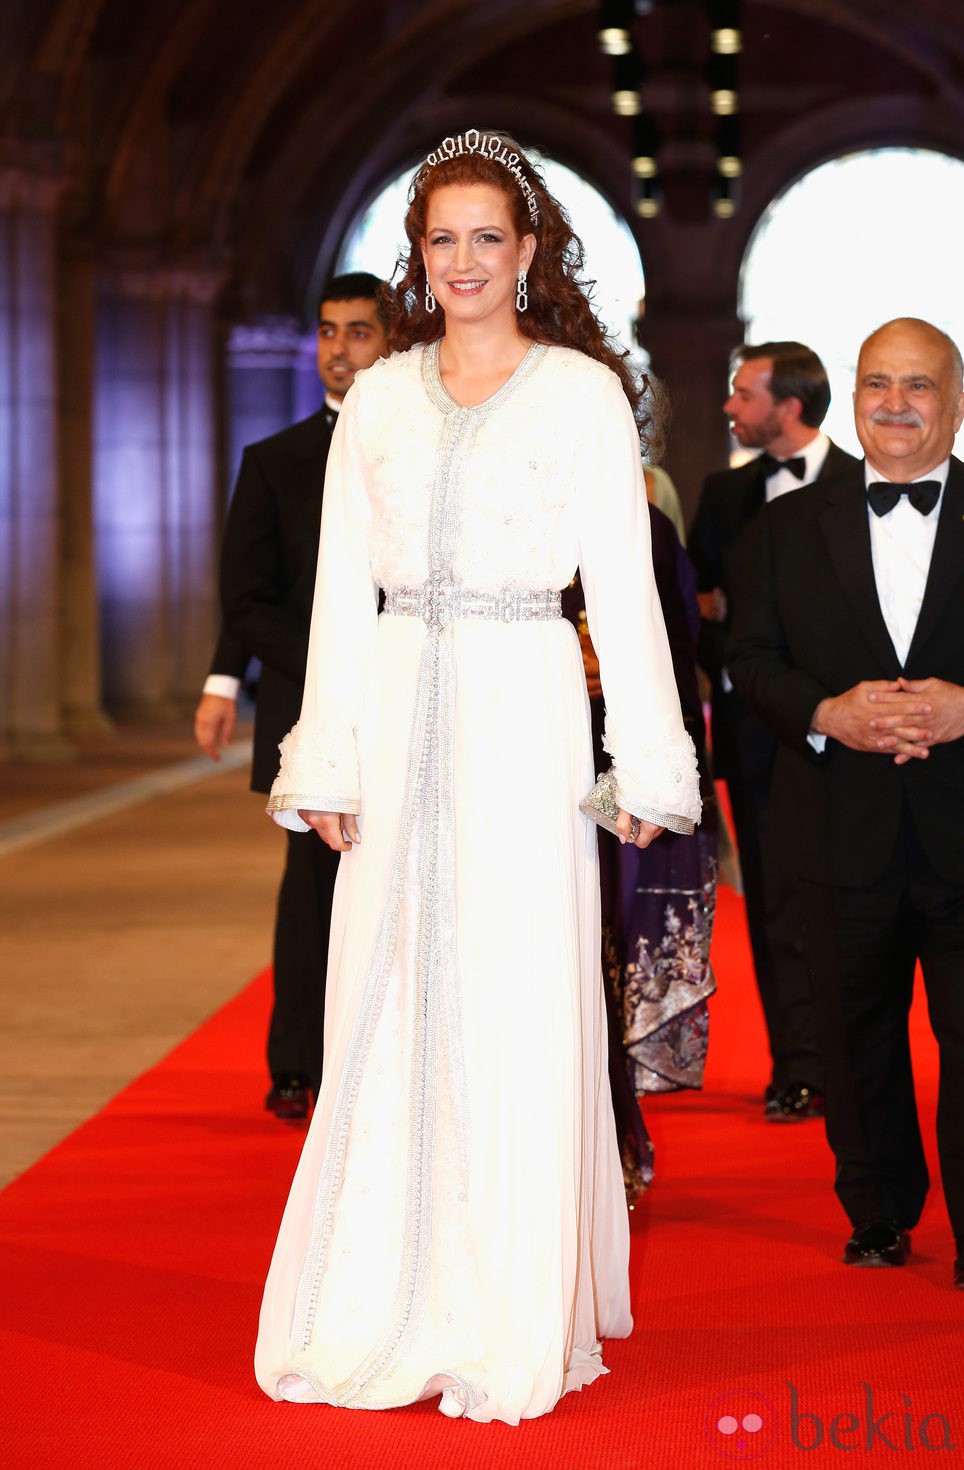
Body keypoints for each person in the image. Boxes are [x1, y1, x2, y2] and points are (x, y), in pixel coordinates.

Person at [253, 128, 701, 1422]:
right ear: (417, 257)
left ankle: (504, 1306)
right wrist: (323, 750)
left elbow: (623, 591)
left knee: (512, 992)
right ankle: (376, 1296)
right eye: (439, 239)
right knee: (385, 991)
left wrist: (649, 766)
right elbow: (339, 588)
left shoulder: (579, 396)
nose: (462, 261)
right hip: (397, 705)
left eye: (485, 238)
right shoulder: (382, 398)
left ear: (530, 251)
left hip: (523, 707)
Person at [727, 317, 964, 1290]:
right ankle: (874, 1215)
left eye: (918, 385)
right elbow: (748, 660)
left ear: (956, 404)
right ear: (853, 396)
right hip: (834, 826)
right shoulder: (784, 526)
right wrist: (826, 710)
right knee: (853, 1037)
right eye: (877, 382)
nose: (893, 403)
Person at [194, 272, 389, 1120]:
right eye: (326, 332)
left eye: (358, 333)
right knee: (310, 892)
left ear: (393, 343)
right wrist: (233, 678)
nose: (338, 351)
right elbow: (247, 600)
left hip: (418, 706)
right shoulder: (271, 462)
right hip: (314, 711)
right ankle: (299, 1065)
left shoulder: (418, 451)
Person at [688, 341, 856, 1121]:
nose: (729, 406)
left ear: (788, 406)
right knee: (775, 909)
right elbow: (698, 608)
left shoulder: (866, 482)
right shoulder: (724, 495)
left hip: (857, 733)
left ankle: (859, 1066)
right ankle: (800, 1068)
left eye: (743, 393)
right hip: (758, 732)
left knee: (858, 907)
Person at [563, 504, 717, 1202]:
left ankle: (611, 1144)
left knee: (602, 949)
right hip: (505, 760)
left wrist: (676, 788)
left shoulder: (640, 521)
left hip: (608, 771)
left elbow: (674, 650)